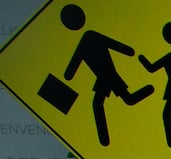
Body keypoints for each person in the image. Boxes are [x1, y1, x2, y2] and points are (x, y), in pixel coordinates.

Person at [59, 3, 153, 146]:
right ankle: (104, 140)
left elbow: (71, 70)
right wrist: (128, 51)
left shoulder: (89, 38)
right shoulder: (88, 38)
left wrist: (128, 51)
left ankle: (150, 89)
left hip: (108, 75)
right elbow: (71, 69)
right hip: (105, 77)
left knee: (115, 101)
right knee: (105, 102)